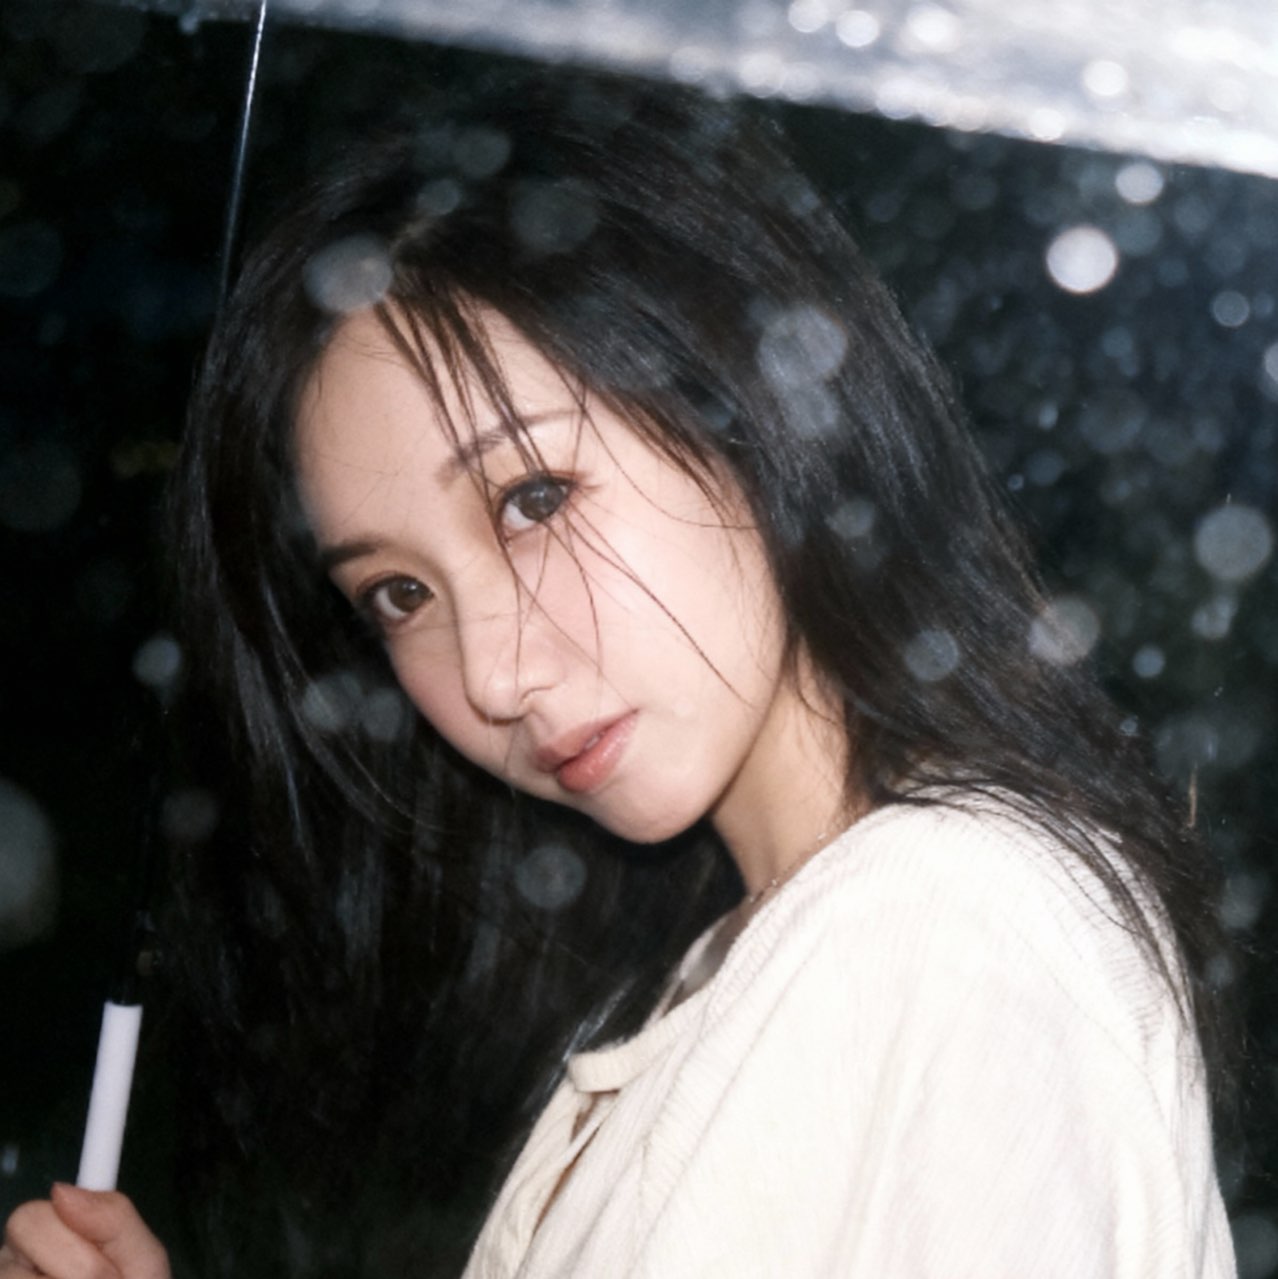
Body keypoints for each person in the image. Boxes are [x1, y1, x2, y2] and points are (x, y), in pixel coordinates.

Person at [2, 71, 1237, 1277]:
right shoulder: (764, 956)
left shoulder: (938, 927)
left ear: (749, 408)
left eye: (534, 498)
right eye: (400, 594)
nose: (491, 675)